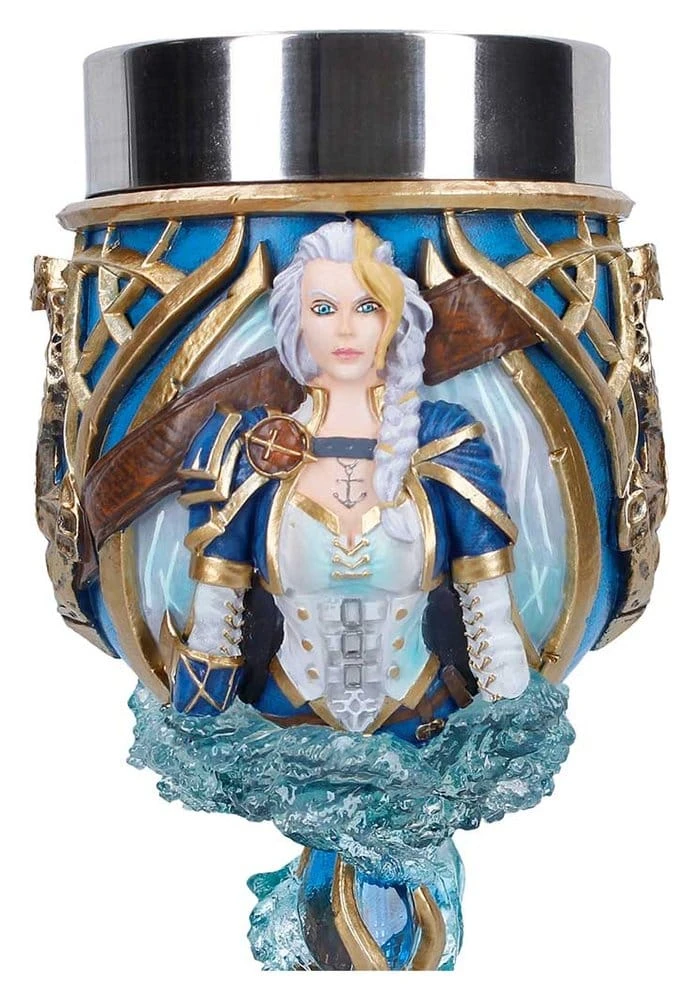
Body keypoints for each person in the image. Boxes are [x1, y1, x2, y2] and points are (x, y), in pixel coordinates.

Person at [164, 219, 530, 742]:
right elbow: (214, 627)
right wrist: (203, 742)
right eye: (323, 308)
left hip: (426, 723)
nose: (344, 330)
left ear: (395, 316)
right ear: (294, 319)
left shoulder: (446, 440)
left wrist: (506, 738)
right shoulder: (251, 448)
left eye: (366, 307)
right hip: (282, 731)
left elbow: (490, 623)